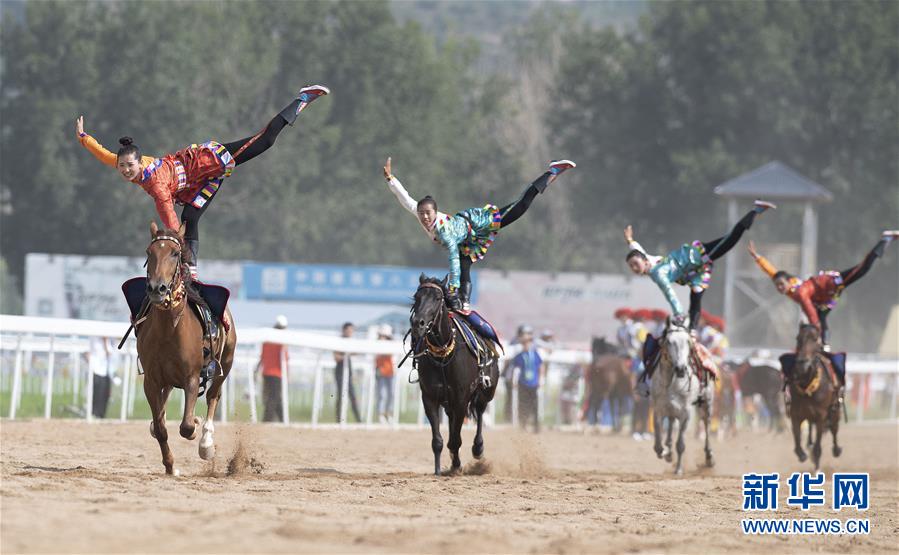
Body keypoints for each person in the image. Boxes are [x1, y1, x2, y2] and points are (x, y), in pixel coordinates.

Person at [75, 85, 329, 279]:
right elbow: (105, 155)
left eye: (130, 166)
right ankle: (192, 269)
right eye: (122, 167)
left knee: (265, 141)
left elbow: (169, 217)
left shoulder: (156, 185)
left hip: (206, 164)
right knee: (192, 217)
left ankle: (302, 98)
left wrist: (177, 244)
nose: (126, 171)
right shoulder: (127, 164)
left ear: (140, 162)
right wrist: (84, 138)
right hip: (197, 183)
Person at [383, 157, 576, 311]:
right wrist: (391, 180)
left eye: (428, 213)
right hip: (465, 240)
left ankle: (552, 171)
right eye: (422, 213)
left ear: (436, 211)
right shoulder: (420, 214)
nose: (424, 217)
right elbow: (406, 199)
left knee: (520, 206)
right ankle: (464, 301)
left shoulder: (444, 232)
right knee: (465, 261)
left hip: (478, 226)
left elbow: (453, 261)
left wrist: (451, 290)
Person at [624, 200, 775, 379]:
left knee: (730, 240)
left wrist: (679, 313)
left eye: (635, 264)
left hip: (695, 259)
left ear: (644, 261)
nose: (634, 268)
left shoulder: (657, 274)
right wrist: (630, 241)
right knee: (696, 297)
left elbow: (670, 294)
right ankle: (693, 332)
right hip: (693, 273)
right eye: (631, 266)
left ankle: (754, 211)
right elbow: (637, 250)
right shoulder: (647, 261)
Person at [747, 232, 898, 346]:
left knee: (863, 268)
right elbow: (772, 272)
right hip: (823, 298)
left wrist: (816, 326)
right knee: (822, 318)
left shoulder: (800, 292)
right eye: (777, 286)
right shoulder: (788, 285)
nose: (779, 288)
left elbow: (809, 309)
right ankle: (824, 345)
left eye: (781, 284)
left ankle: (885, 239)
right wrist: (758, 258)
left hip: (831, 284)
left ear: (788, 281)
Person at [509, 324, 544, 433]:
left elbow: (540, 366)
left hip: (533, 383)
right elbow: (516, 369)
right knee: (523, 405)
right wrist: (514, 381)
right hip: (523, 384)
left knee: (535, 406)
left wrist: (541, 379)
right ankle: (522, 425)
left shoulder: (535, 354)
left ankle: (536, 426)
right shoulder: (519, 355)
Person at [257, 315, 289, 422]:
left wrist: (257, 369)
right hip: (276, 373)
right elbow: (285, 357)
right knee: (274, 397)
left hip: (266, 372)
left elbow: (262, 356)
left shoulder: (268, 338)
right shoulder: (282, 339)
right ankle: (267, 420)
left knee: (275, 397)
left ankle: (282, 419)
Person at [333, 322, 362, 423]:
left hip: (348, 372)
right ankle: (338, 420)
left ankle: (359, 420)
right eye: (349, 330)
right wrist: (346, 355)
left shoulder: (350, 342)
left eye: (352, 330)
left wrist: (348, 353)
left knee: (353, 396)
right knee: (341, 396)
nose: (351, 332)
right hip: (340, 372)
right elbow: (336, 357)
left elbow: (357, 352)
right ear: (344, 330)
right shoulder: (339, 341)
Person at [374, 324, 396, 424]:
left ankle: (388, 414)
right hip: (380, 371)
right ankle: (380, 414)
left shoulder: (391, 344)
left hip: (390, 372)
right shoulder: (377, 343)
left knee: (391, 394)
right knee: (382, 394)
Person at [89, 337, 112, 419]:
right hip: (95, 370)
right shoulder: (93, 339)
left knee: (104, 395)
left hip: (105, 371)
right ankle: (94, 413)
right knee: (96, 394)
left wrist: (105, 342)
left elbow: (109, 353)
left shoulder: (108, 341)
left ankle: (101, 415)